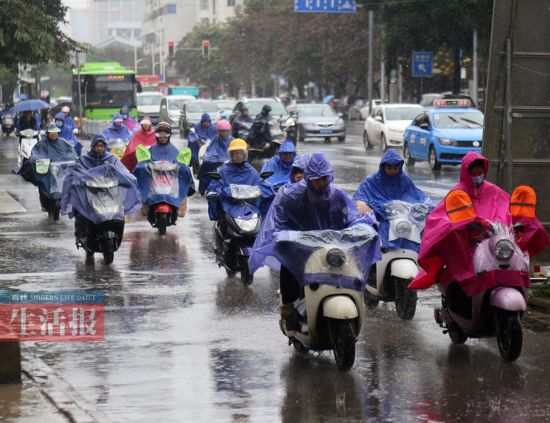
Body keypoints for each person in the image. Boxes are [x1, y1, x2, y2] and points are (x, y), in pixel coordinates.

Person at [250, 152, 376, 329]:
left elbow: (353, 218)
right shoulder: (290, 195)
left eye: (324, 178)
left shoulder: (337, 195)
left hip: (332, 248)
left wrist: (364, 226)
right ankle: (288, 309)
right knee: (288, 269)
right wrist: (283, 236)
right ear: (308, 178)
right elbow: (277, 221)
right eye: (317, 179)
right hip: (300, 249)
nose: (321, 183)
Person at [409, 152, 546, 292]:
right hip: (468, 249)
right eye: (474, 173)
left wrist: (519, 227)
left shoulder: (495, 191)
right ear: (466, 173)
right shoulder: (457, 195)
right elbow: (440, 220)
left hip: (496, 246)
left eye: (480, 172)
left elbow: (509, 212)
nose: (477, 176)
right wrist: (462, 227)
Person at [61, 134, 140, 248]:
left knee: (117, 213)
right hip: (88, 194)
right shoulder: (84, 159)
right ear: (92, 146)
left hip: (109, 194)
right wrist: (78, 181)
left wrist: (128, 179)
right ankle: (80, 235)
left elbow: (122, 171)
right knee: (80, 211)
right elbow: (75, 172)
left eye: (102, 146)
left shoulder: (111, 159)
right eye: (97, 146)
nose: (99, 148)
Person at [135, 122, 195, 217]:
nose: (162, 138)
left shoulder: (174, 150)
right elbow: (144, 161)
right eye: (160, 136)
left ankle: (180, 207)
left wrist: (182, 167)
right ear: (157, 136)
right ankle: (146, 206)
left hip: (171, 180)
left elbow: (180, 162)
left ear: (169, 136)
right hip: (154, 180)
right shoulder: (151, 149)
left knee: (184, 177)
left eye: (165, 136)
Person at [19, 123, 77, 212]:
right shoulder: (42, 143)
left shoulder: (63, 143)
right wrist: (37, 160)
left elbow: (71, 153)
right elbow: (35, 154)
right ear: (48, 133)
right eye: (51, 133)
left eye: (55, 133)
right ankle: (45, 203)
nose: (54, 135)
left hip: (60, 171)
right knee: (43, 187)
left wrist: (70, 160)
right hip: (46, 171)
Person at [206, 139, 261, 222]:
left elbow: (260, 186)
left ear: (244, 154)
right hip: (229, 204)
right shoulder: (224, 170)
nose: (238, 156)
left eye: (240, 153)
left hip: (249, 205)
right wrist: (223, 191)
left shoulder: (252, 171)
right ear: (231, 155)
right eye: (235, 153)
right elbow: (214, 187)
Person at [197, 119, 234, 195]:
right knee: (206, 166)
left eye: (225, 130)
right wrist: (217, 160)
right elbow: (210, 153)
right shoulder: (215, 140)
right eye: (222, 131)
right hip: (217, 165)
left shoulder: (233, 141)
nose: (224, 132)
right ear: (218, 131)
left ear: (229, 131)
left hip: (231, 164)